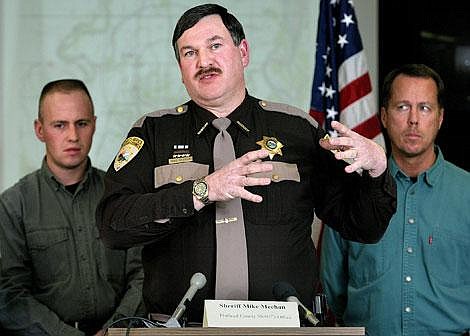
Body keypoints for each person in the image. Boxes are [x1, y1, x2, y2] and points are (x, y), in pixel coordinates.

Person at [96, 4, 396, 323]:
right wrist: (201, 190)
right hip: (179, 328)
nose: (203, 62)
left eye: (214, 45)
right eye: (189, 53)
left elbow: (364, 226)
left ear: (243, 52)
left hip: (285, 328)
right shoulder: (153, 132)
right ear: (180, 69)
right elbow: (112, 226)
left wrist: (377, 171)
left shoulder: (297, 130)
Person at [320, 64, 470, 335]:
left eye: (425, 108)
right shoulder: (353, 193)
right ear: (384, 117)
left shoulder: (467, 192)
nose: (414, 119)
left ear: (440, 118)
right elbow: (333, 288)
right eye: (402, 107)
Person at [0, 79, 145, 335]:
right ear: (40, 130)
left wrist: (116, 328)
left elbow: (141, 274)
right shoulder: (14, 205)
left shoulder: (121, 196)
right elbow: (10, 294)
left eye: (82, 123)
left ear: (94, 125)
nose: (73, 136)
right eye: (59, 125)